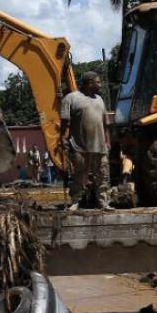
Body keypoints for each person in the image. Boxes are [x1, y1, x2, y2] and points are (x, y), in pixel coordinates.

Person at [60, 71, 110, 209]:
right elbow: (65, 122)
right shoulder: (71, 98)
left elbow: (106, 123)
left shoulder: (99, 99)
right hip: (80, 147)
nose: (100, 85)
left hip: (100, 146)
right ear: (90, 83)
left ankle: (103, 202)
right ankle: (75, 201)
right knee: (79, 175)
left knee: (102, 175)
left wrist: (107, 141)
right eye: (98, 82)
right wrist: (63, 139)